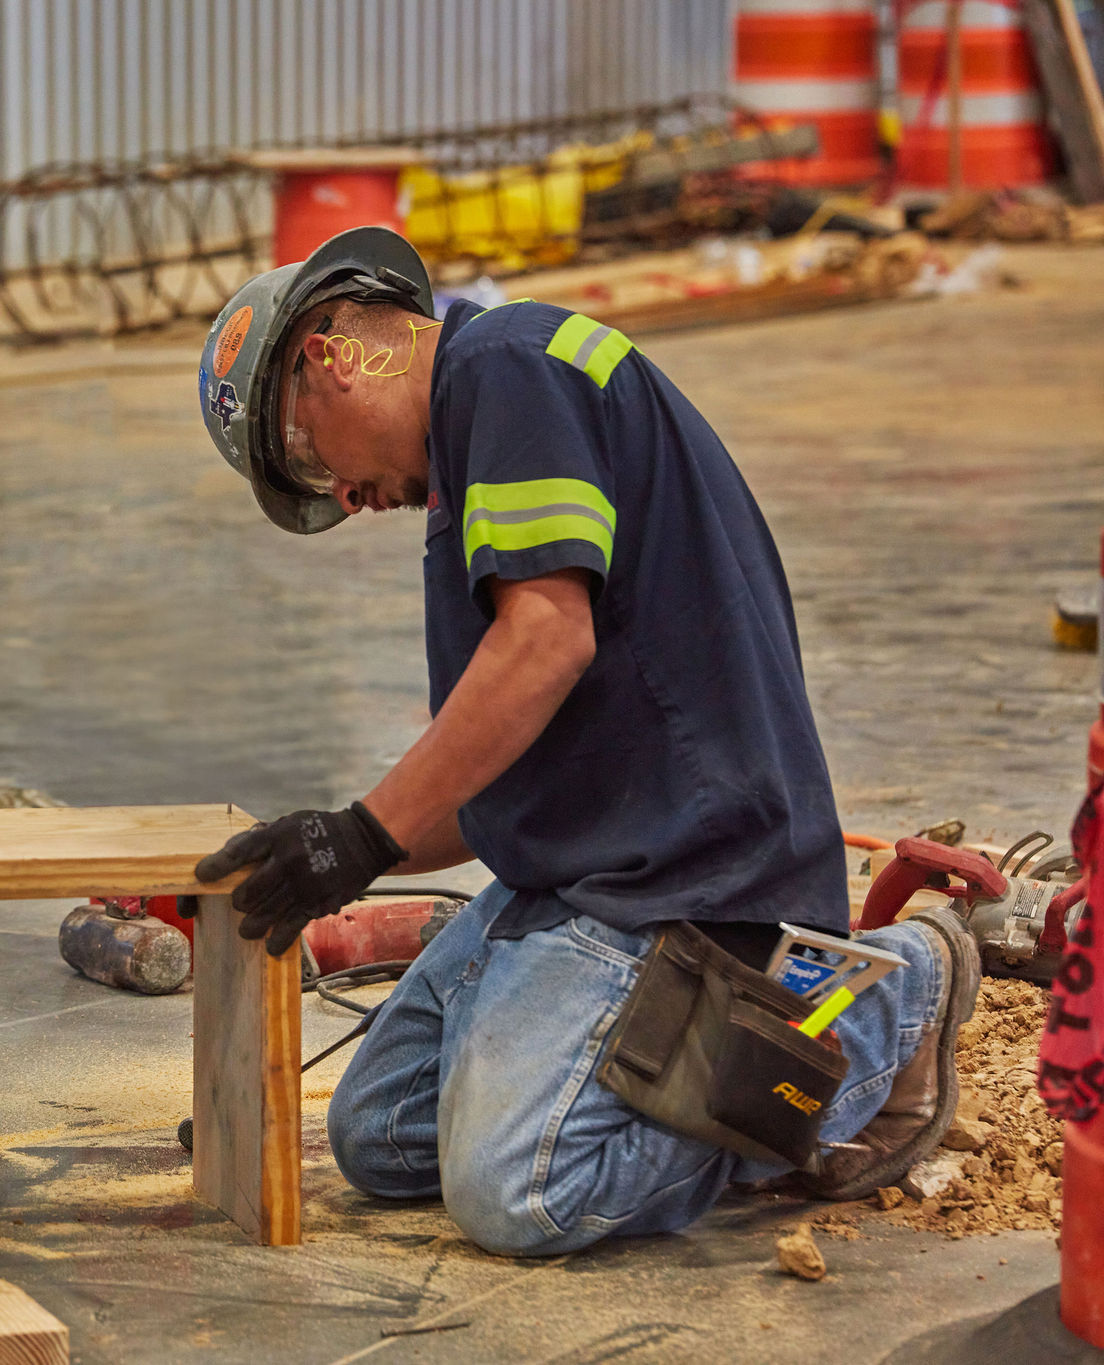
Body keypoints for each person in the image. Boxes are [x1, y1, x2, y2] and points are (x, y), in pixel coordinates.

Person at [189, 227, 978, 1256]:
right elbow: (490, 780)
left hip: (679, 872)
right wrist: (328, 852)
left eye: (301, 453)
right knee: (377, 1137)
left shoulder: (504, 370)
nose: (336, 495)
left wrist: (362, 833)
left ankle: (889, 999)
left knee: (520, 1192)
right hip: (576, 875)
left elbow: (547, 640)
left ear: (331, 352)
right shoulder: (476, 448)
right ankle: (627, 1052)